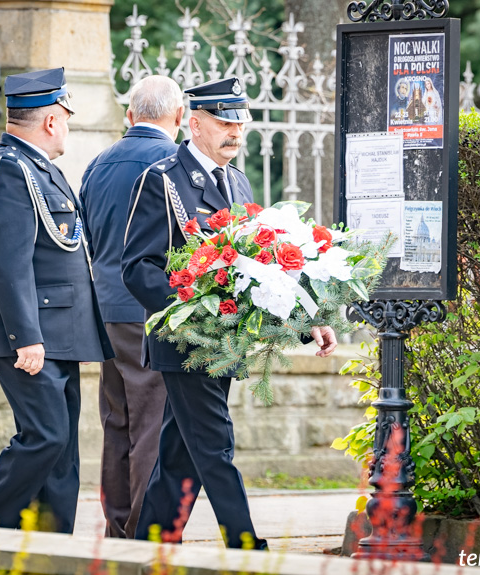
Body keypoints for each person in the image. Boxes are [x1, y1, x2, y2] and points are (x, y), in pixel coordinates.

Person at [122, 77, 338, 550]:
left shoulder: (237, 180)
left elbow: (263, 275)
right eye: (225, 121)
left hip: (224, 342)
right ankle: (246, 547)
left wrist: (308, 322)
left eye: (240, 121)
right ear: (193, 124)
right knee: (215, 446)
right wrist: (190, 313)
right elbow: (137, 268)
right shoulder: (162, 180)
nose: (236, 131)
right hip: (187, 343)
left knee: (181, 454)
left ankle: (147, 546)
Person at [0, 67, 113, 531]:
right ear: (52, 120)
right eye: (65, 118)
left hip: (59, 335)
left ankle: (49, 547)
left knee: (63, 448)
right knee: (45, 436)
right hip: (31, 337)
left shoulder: (38, 169)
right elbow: (7, 264)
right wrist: (24, 337)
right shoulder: (7, 171)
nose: (66, 126)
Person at [79, 75, 183, 539]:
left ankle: (117, 527)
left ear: (129, 115)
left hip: (101, 307)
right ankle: (144, 535)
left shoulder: (97, 163)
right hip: (147, 308)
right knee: (152, 423)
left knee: (117, 421)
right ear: (180, 117)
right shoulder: (172, 162)